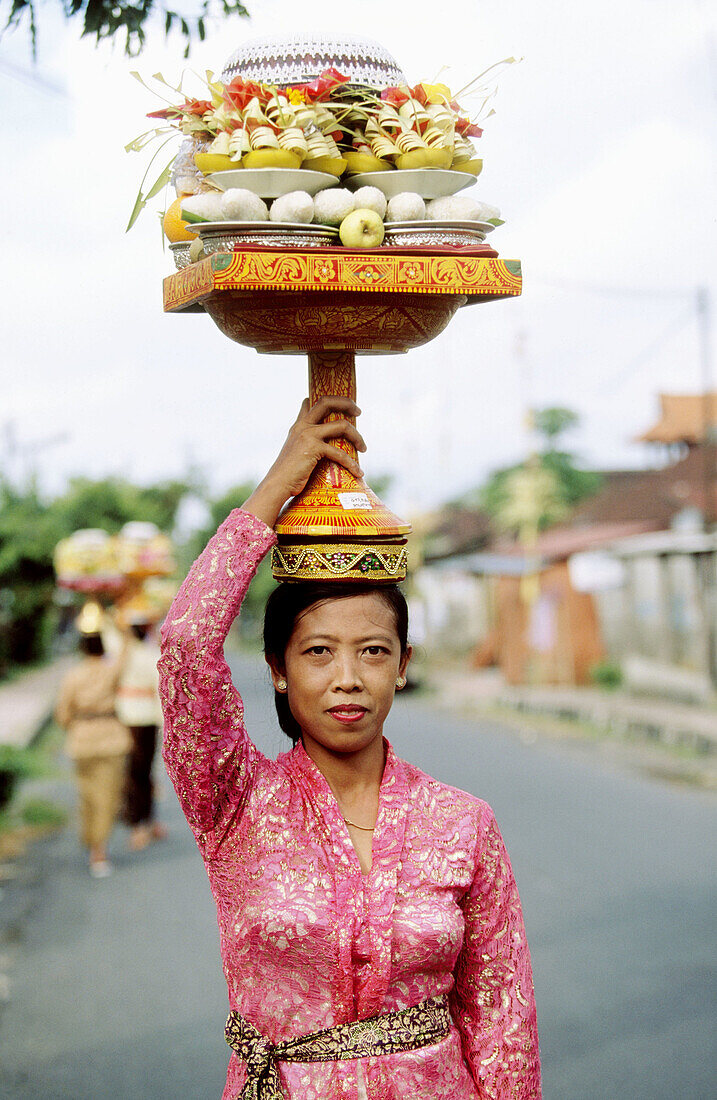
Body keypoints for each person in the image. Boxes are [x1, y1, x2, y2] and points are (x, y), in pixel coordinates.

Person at [159, 398, 541, 1099]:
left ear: (402, 664)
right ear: (277, 667)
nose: (346, 678)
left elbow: (500, 1022)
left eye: (371, 651)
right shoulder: (235, 804)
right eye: (317, 652)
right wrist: (280, 480)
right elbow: (184, 646)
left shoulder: (463, 825)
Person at [55, 605, 131, 878]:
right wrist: (116, 622)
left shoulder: (73, 676)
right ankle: (99, 851)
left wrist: (76, 726)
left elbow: (62, 713)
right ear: (101, 645)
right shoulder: (110, 671)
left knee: (88, 796)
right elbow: (126, 650)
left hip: (82, 741)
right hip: (110, 739)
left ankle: (92, 842)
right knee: (107, 797)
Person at [115, 618, 167, 850]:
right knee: (141, 773)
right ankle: (141, 823)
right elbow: (159, 692)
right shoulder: (147, 654)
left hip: (127, 716)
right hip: (142, 718)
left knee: (136, 772)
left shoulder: (121, 655)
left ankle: (143, 823)